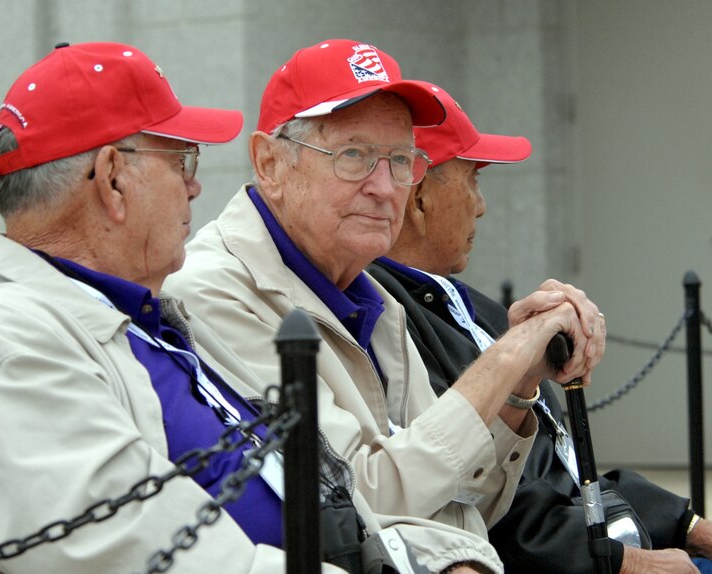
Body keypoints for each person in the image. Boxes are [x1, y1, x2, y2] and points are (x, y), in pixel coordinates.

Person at [0, 42, 492, 574]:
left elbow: (337, 501)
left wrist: (436, 562)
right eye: (181, 161)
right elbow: (146, 555)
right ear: (112, 180)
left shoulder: (145, 319)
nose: (195, 188)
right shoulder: (10, 345)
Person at [164, 38, 606, 574]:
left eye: (401, 160)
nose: (384, 187)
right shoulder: (212, 290)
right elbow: (357, 501)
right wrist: (504, 358)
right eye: (353, 155)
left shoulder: (370, 292)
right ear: (269, 162)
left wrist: (517, 390)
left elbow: (468, 504)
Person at [366, 81, 712, 574]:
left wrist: (690, 525)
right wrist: (626, 562)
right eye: (473, 180)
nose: (482, 205)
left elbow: (561, 467)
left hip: (599, 540)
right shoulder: (390, 325)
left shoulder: (465, 303)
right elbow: (477, 507)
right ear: (419, 200)